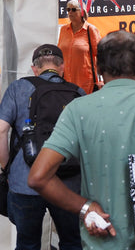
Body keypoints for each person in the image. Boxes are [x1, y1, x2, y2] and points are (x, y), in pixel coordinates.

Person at [28, 31, 135, 250]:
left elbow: (38, 177)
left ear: (98, 67)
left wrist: (86, 208)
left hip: (102, 238)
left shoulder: (77, 110)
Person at [0, 44, 84, 250]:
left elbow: (1, 131)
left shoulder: (18, 88)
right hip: (68, 184)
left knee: (27, 243)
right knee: (72, 242)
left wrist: (6, 169)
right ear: (62, 67)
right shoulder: (77, 93)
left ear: (34, 68)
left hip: (25, 181)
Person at [57, 0, 102, 94]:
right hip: (66, 82)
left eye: (73, 9)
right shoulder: (64, 30)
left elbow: (101, 56)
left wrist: (102, 79)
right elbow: (59, 54)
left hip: (86, 84)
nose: (70, 12)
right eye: (68, 9)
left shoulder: (91, 30)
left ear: (82, 12)